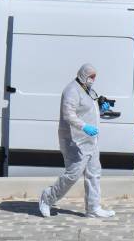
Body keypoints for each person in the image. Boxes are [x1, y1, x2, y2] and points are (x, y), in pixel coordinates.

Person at [39, 63, 115, 219]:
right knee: (73, 175)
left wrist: (101, 109)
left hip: (90, 141)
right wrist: (85, 126)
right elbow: (69, 114)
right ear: (83, 75)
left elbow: (88, 110)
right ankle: (47, 198)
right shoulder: (71, 90)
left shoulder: (89, 91)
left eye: (94, 77)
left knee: (94, 173)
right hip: (74, 140)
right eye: (91, 77)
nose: (93, 79)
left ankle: (93, 208)